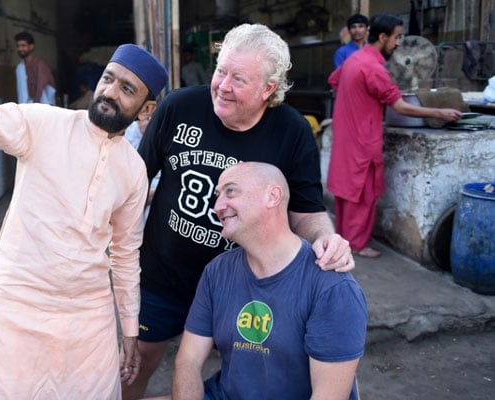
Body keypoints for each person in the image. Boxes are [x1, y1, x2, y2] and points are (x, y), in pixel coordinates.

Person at [0, 6, 167, 398]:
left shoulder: (134, 170)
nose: (111, 92)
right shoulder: (43, 123)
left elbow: (126, 255)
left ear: (146, 109)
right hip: (17, 306)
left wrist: (129, 329)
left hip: (88, 318)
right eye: (108, 79)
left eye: (127, 89)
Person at [124, 23, 355, 399]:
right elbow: (132, 183)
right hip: (162, 275)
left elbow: (306, 212)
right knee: (136, 362)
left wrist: (327, 239)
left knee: (252, 370)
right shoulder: (179, 107)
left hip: (240, 284)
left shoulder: (291, 133)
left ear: (268, 89)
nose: (223, 86)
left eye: (239, 79)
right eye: (221, 71)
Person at [168, 161, 367, 399]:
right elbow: (188, 360)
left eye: (230, 191)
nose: (217, 206)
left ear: (272, 196)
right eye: (217, 195)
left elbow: (328, 396)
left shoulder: (332, 286)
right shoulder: (217, 270)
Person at [327, 14, 462, 258]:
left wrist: (357, 100)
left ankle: (344, 239)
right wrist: (438, 112)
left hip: (346, 136)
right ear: (382, 37)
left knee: (347, 193)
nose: (399, 43)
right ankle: (356, 245)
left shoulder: (354, 59)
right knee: (362, 194)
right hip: (363, 139)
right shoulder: (373, 68)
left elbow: (334, 80)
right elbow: (400, 107)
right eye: (397, 37)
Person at [14, 31, 56, 104]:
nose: (20, 49)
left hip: (43, 106)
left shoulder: (39, 64)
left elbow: (40, 88)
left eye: (23, 45)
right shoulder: (20, 68)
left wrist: (36, 105)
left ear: (31, 46)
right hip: (28, 106)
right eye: (18, 46)